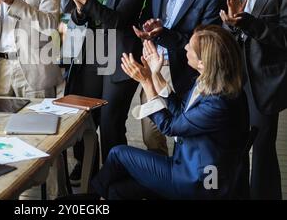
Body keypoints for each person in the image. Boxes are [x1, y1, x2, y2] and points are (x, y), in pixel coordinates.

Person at [91, 25, 249, 200]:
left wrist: (146, 82)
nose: (186, 47)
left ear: (202, 63)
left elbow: (169, 126)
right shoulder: (211, 80)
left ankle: (88, 200)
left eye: (190, 45)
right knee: (116, 191)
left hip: (197, 181)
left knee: (118, 154)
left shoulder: (219, 103)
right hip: (188, 166)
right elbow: (182, 113)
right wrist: (155, 74)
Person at [62, 0, 151, 184]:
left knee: (111, 126)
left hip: (120, 58)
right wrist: (79, 3)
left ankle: (115, 185)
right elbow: (81, 18)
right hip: (93, 53)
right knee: (85, 118)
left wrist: (83, 0)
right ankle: (90, 176)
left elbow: (117, 21)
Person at [136, 0, 226, 156]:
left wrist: (164, 34)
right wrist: (148, 26)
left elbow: (204, 43)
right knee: (151, 135)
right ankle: (160, 184)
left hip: (186, 72)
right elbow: (148, 12)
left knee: (183, 136)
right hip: (154, 64)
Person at [220, 0, 287, 200]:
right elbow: (223, 24)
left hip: (265, 78)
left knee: (261, 147)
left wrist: (247, 22)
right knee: (233, 144)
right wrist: (229, 23)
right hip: (232, 75)